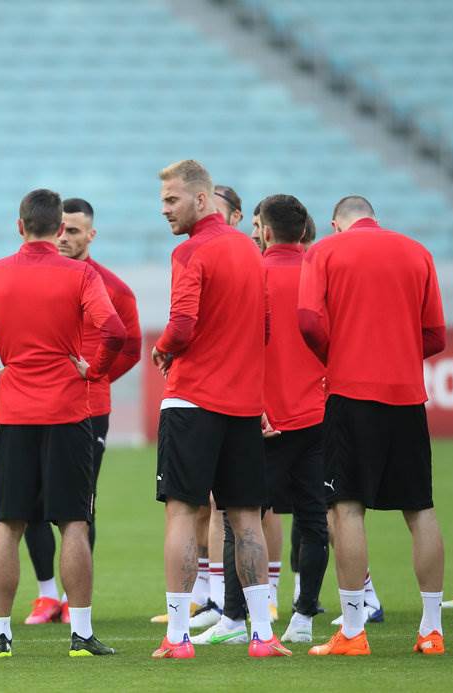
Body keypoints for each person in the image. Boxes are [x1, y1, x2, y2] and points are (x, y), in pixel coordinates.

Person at [0, 188, 126, 658]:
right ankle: (80, 633)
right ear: (60, 229)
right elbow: (115, 331)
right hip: (68, 413)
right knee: (75, 523)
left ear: (19, 226)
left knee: (8, 523)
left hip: (15, 413)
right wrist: (95, 371)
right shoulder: (81, 274)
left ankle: (0, 635)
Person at [151, 160, 288, 659]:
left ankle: (178, 636)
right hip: (241, 404)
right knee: (247, 519)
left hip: (193, 400)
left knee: (182, 513)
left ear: (201, 199)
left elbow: (183, 324)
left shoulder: (190, 251)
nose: (164, 209)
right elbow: (265, 327)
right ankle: (262, 634)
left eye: (172, 199)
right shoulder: (251, 251)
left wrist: (163, 347)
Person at [300, 196, 447, 657]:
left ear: (335, 224)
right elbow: (435, 335)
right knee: (420, 508)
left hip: (351, 393)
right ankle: (432, 630)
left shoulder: (324, 251)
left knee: (347, 507)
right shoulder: (417, 252)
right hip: (407, 396)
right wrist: (397, 354)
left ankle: (353, 630)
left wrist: (339, 354)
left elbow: (308, 321)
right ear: (374, 218)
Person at [22, 197, 141, 626]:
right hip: (36, 405)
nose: (64, 238)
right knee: (31, 502)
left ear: (91, 234)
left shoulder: (114, 288)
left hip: (89, 410)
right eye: (61, 230)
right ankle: (45, 595)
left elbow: (131, 347)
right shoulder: (37, 281)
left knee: (78, 504)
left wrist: (98, 377)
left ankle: (74, 599)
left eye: (73, 231)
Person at [257, 195, 331, 643]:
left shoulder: (253, 273)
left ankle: (239, 617)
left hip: (262, 417)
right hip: (318, 412)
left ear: (265, 231)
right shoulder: (319, 272)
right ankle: (304, 617)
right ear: (304, 231)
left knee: (244, 518)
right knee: (314, 519)